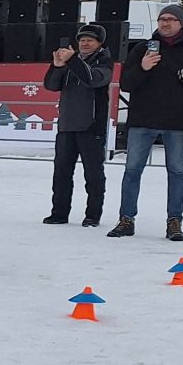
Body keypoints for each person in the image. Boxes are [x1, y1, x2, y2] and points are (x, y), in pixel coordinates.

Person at [107, 3, 183, 242]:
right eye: (161, 19)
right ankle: (126, 219)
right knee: (132, 170)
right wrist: (143, 68)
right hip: (142, 121)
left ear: (181, 23)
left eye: (171, 19)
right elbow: (126, 84)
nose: (165, 23)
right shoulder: (143, 49)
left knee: (176, 172)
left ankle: (174, 221)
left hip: (179, 123)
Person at [42, 23, 112, 226]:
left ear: (100, 44)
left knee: (93, 174)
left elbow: (92, 79)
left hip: (91, 126)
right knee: (62, 172)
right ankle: (59, 212)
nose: (84, 43)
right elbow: (51, 85)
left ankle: (93, 214)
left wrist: (72, 60)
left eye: (90, 40)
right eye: (81, 40)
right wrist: (57, 66)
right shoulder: (72, 62)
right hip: (66, 125)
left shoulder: (104, 62)